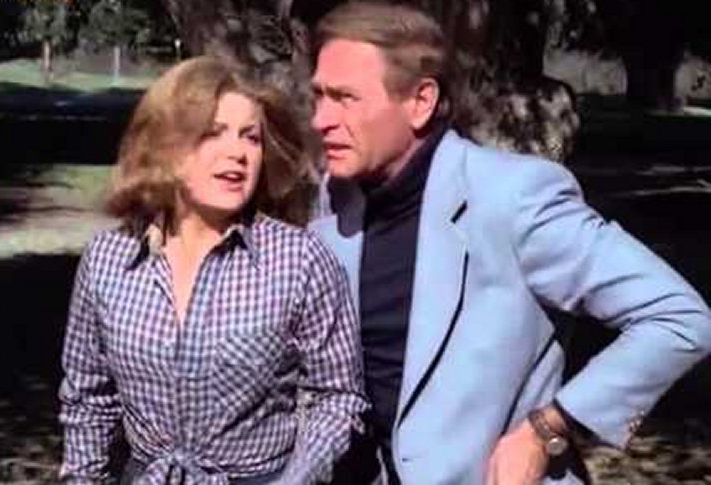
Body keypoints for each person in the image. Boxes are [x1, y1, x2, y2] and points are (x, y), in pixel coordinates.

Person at [307, 2, 711, 484]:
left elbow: (679, 317)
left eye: (345, 98)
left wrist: (547, 429)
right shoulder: (333, 201)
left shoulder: (514, 198)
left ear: (421, 101)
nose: (320, 120)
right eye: (319, 96)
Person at [58, 56, 368, 484]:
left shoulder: (300, 260)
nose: (237, 153)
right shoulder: (108, 260)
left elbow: (337, 398)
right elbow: (88, 400)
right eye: (212, 133)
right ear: (165, 146)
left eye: (250, 137)